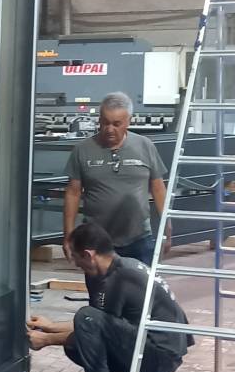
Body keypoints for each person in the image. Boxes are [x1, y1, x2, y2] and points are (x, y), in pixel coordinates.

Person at [28, 220, 192, 372]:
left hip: (160, 356)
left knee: (78, 336)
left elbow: (91, 325)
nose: (76, 265)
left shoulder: (120, 279)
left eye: (76, 259)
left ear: (88, 255)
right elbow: (96, 326)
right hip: (163, 350)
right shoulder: (116, 268)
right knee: (83, 329)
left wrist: (46, 340)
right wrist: (51, 326)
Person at [62, 91, 169, 267]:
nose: (109, 129)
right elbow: (73, 193)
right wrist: (68, 235)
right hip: (96, 242)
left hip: (138, 238)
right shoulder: (83, 150)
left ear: (129, 121)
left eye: (116, 124)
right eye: (105, 123)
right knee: (101, 285)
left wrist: (167, 225)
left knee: (140, 284)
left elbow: (158, 189)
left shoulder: (145, 146)